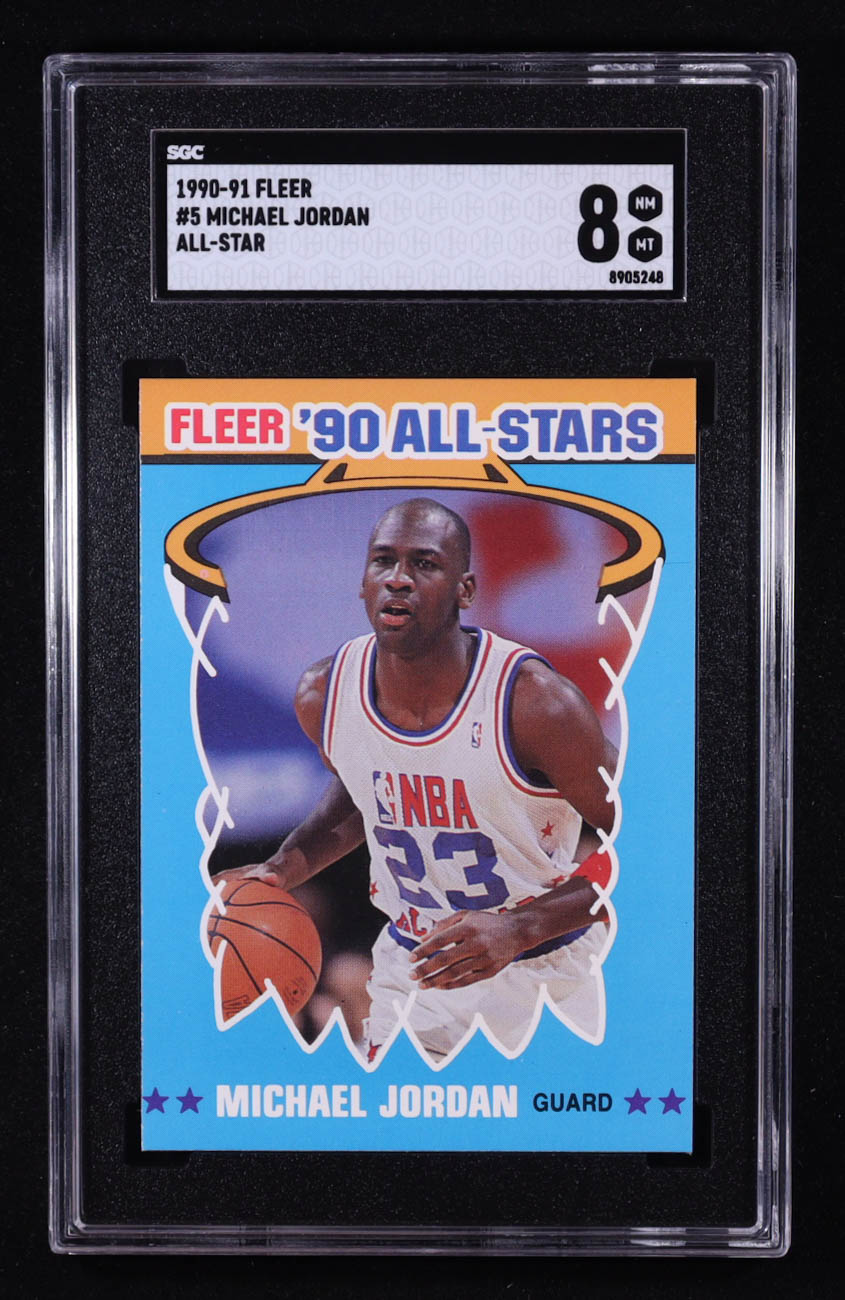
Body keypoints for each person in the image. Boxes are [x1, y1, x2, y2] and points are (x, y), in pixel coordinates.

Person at [216, 497, 617, 1060]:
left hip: (546, 970)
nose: (398, 579)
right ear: (363, 584)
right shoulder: (325, 693)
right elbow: (364, 793)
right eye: (383, 561)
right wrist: (286, 865)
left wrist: (521, 928)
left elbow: (650, 838)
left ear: (465, 590)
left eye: (424, 563)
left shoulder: (535, 703)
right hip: (413, 972)